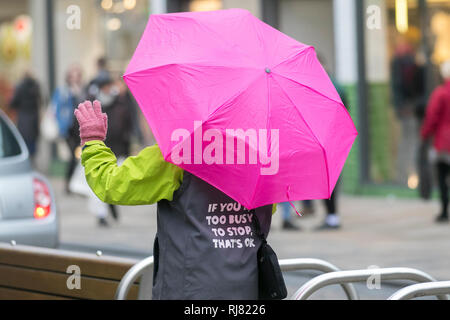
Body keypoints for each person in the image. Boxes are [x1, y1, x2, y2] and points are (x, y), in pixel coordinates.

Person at [74, 100, 276, 299]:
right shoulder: (265, 152)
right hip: (247, 289)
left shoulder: (180, 151)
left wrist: (93, 141)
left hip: (187, 288)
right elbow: (269, 209)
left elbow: (111, 184)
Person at [420, 60, 450, 223]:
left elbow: (432, 117)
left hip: (444, 143)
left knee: (442, 177)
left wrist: (424, 135)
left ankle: (445, 211)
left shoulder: (441, 93)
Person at [52, 64, 84, 193]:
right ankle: (69, 184)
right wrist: (60, 127)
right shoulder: (62, 91)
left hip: (80, 129)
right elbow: (57, 109)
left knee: (79, 156)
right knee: (73, 156)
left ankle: (75, 184)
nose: (74, 79)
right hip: (68, 130)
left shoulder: (82, 90)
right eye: (72, 76)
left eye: (77, 76)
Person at [9, 71, 41, 159]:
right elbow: (41, 101)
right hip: (34, 119)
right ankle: (32, 160)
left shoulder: (19, 87)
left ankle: (27, 160)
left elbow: (13, 103)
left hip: (23, 119)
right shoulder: (36, 86)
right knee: (32, 144)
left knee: (24, 143)